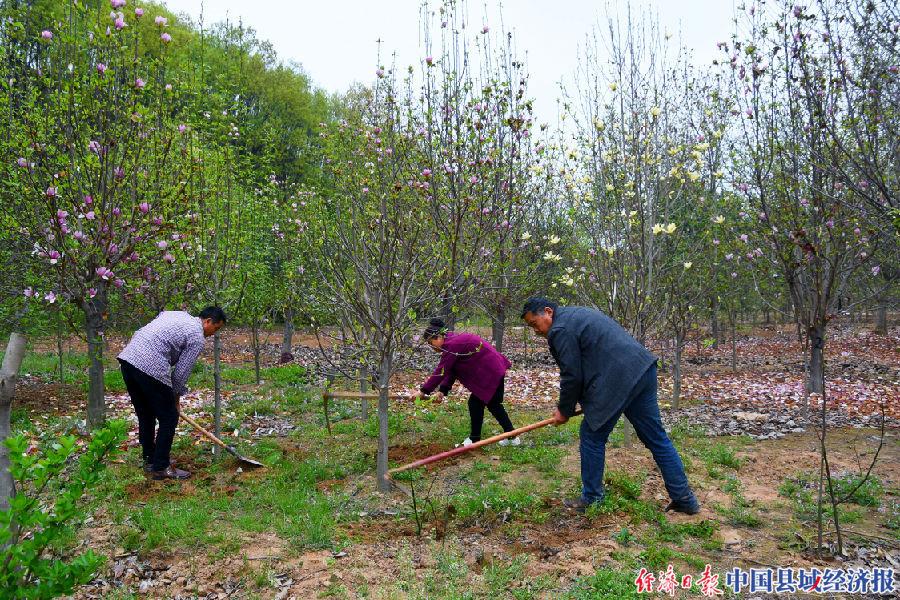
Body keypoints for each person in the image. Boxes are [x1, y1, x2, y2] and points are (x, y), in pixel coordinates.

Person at [520, 297, 700, 514]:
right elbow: (590, 361)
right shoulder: (576, 314)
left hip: (619, 379)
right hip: (641, 370)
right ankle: (684, 499)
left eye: (534, 324)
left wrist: (564, 410)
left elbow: (572, 376)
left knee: (591, 436)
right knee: (656, 438)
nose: (535, 331)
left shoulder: (560, 329)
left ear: (548, 312)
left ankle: (592, 498)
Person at [118, 307, 227, 480]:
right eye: (216, 328)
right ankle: (161, 467)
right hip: (149, 365)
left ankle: (150, 460)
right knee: (169, 417)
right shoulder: (197, 337)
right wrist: (174, 400)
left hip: (128, 360)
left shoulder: (177, 314)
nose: (214, 333)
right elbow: (180, 373)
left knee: (146, 414)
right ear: (207, 321)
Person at [412, 318, 520, 447]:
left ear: (439, 337)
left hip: (491, 370)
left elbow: (442, 370)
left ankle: (476, 439)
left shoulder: (452, 345)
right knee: (492, 404)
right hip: (491, 369)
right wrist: (442, 390)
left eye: (431, 343)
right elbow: (451, 369)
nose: (431, 347)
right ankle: (511, 436)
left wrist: (423, 391)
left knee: (477, 403)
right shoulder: (452, 342)